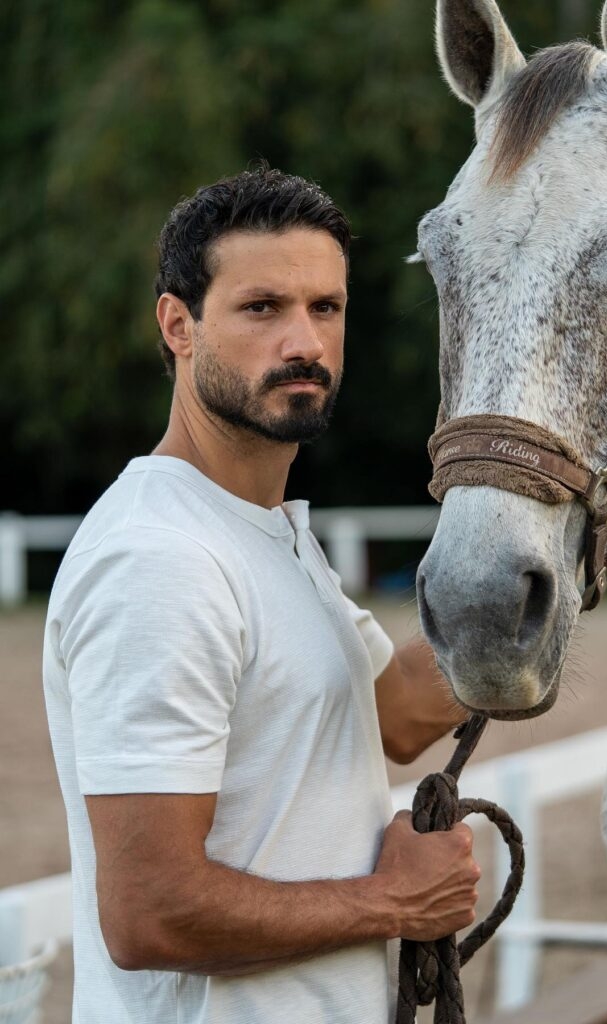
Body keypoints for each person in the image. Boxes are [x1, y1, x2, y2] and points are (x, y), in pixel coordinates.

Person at [42, 166, 480, 1024]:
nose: (304, 342)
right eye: (261, 308)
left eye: (326, 307)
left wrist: (540, 592)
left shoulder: (264, 529)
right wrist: (395, 902)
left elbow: (388, 710)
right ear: (178, 325)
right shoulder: (159, 558)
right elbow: (148, 913)